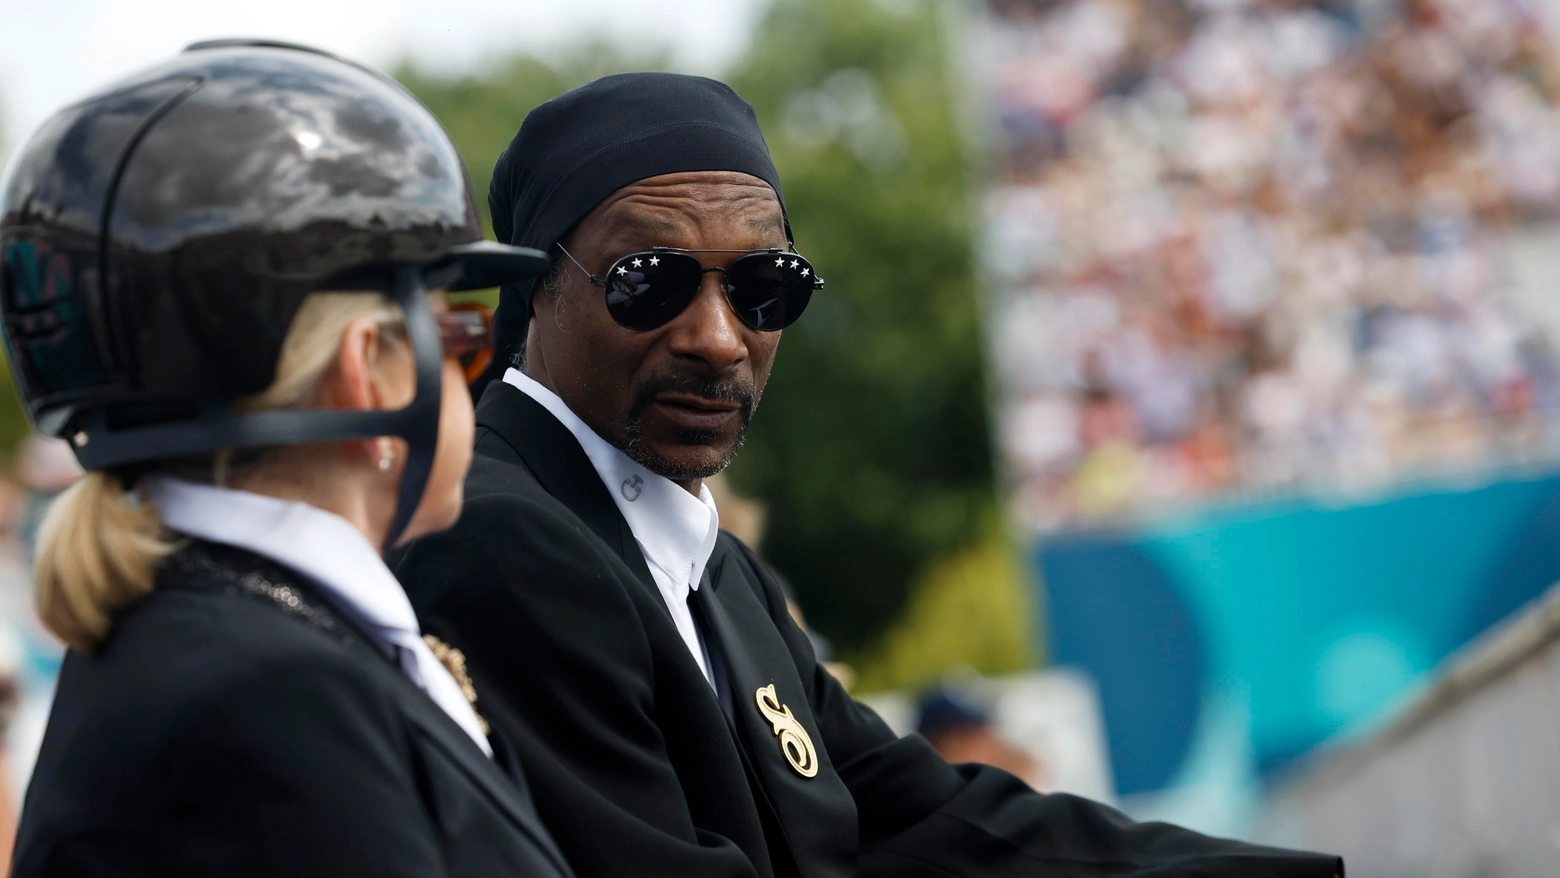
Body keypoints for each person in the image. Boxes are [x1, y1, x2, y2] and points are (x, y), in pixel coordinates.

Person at [392, 71, 1342, 877]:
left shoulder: (708, 564)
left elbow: (918, 817)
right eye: (651, 278)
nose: (718, 338)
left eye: (765, 285)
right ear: (536, 290)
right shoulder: (503, 536)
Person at [1, 40, 572, 878]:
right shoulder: (270, 696)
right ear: (365, 367)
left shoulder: (227, 631)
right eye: (461, 335)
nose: (475, 371)